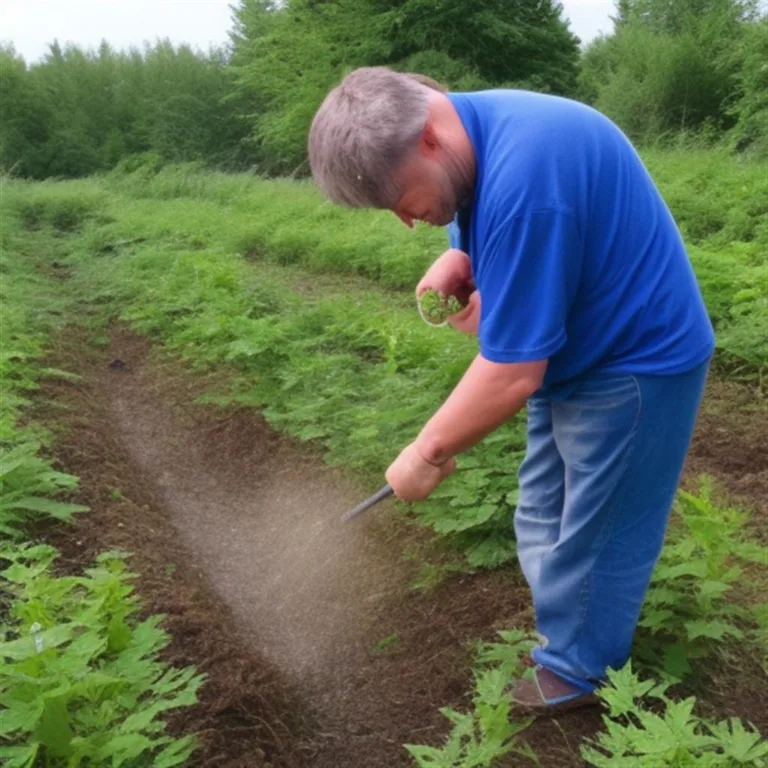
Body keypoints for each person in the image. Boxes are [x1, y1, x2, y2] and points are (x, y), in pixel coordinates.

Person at [307, 67, 715, 713]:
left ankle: (578, 672)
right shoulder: (476, 130)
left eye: (399, 198)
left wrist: (425, 453)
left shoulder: (531, 175)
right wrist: (464, 258)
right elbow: (479, 206)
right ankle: (576, 621)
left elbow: (511, 373)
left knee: (599, 533)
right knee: (541, 513)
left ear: (429, 140)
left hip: (634, 361)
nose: (405, 222)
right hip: (575, 353)